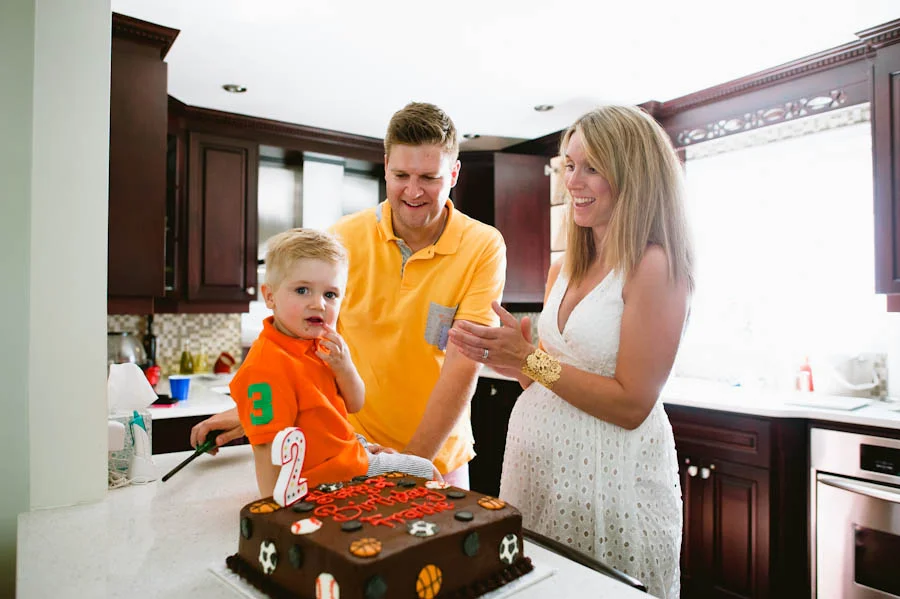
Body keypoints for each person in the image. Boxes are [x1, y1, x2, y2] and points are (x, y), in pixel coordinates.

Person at [191, 102, 506, 488]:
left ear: (453, 173)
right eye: (401, 175)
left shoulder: (482, 246)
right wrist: (251, 411)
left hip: (438, 457)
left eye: (429, 177)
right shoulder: (343, 238)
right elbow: (306, 346)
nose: (413, 191)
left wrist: (410, 467)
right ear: (385, 166)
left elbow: (463, 365)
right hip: (351, 454)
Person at [448, 105, 693, 598]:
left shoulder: (654, 267)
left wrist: (530, 360)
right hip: (544, 474)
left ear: (633, 175)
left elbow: (631, 404)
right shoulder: (564, 268)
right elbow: (545, 380)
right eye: (570, 165)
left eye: (592, 168)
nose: (572, 182)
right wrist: (512, 358)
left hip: (609, 484)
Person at [233, 228, 439, 497]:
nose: (318, 304)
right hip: (334, 475)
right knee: (428, 471)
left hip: (347, 452)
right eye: (302, 290)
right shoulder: (266, 366)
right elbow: (267, 448)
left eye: (330, 295)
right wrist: (273, 506)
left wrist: (345, 367)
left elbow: (355, 404)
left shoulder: (321, 345)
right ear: (269, 296)